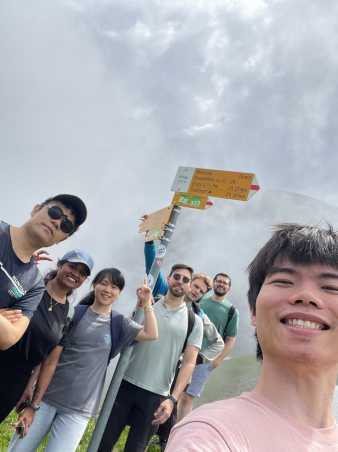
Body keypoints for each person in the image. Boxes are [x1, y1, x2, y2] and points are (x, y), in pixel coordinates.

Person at [167, 223, 338, 451]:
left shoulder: (229, 310)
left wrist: (213, 359)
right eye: (284, 281)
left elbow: (227, 339)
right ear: (254, 311)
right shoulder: (209, 436)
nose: (306, 296)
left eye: (331, 287)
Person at [8, 268, 158, 452]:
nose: (107, 290)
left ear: (119, 293)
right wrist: (31, 388)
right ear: (94, 285)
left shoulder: (119, 324)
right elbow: (49, 356)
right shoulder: (73, 313)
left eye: (114, 286)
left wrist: (147, 304)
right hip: (46, 399)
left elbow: (151, 334)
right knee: (18, 449)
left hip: (79, 410)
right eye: (103, 283)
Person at [98, 263, 203, 452]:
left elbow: (189, 363)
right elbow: (128, 332)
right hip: (125, 383)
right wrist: (140, 305)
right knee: (103, 443)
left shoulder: (194, 321)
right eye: (176, 277)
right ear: (169, 279)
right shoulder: (149, 302)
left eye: (185, 280)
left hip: (157, 394)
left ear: (189, 286)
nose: (180, 282)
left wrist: (172, 399)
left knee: (136, 448)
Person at [0, 249, 93, 423]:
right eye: (72, 266)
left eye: (82, 273)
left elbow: (50, 361)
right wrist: (24, 266)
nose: (75, 274)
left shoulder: (68, 314)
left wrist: (33, 404)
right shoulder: (31, 285)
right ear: (60, 265)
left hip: (15, 381)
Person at [0, 193, 87, 349]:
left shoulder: (35, 285)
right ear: (36, 209)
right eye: (55, 212)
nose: (57, 222)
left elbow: (9, 338)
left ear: (62, 239)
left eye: (66, 225)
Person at [200, 272, 239, 370]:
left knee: (195, 385)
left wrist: (219, 359)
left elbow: (231, 339)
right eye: (219, 281)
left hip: (207, 359)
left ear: (229, 288)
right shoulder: (200, 300)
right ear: (213, 283)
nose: (221, 284)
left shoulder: (232, 311)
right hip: (186, 352)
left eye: (225, 283)